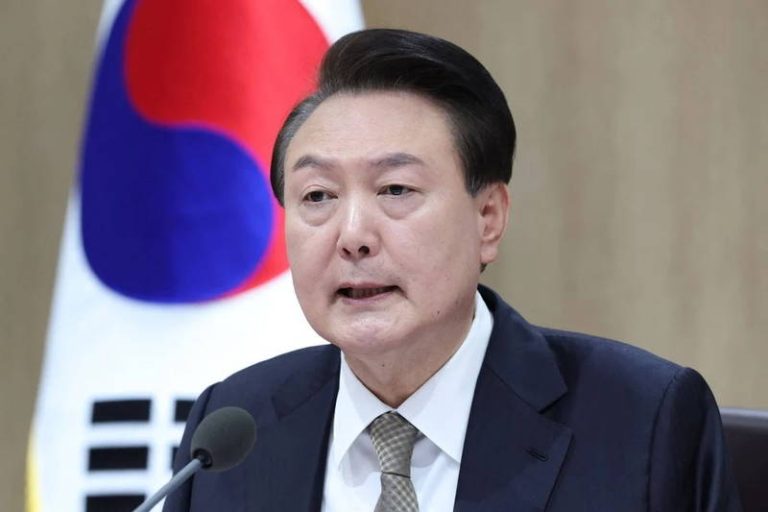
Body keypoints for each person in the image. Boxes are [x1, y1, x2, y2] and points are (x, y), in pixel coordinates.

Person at [164, 29, 741, 511]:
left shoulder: (643, 422)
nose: (353, 235)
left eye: (396, 189)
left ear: (488, 218)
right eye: (318, 196)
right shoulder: (233, 432)